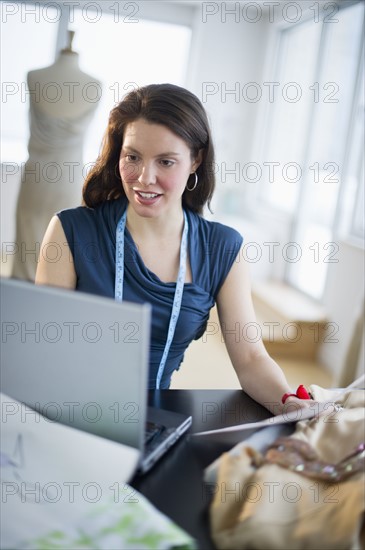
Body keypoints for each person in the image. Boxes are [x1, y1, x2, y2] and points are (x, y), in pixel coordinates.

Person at [35, 83, 310, 414]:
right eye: (132, 157)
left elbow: (251, 358)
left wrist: (286, 401)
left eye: (165, 162)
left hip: (153, 421)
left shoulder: (223, 248)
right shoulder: (71, 231)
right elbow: (44, 353)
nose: (144, 178)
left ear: (196, 160)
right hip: (71, 411)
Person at [12, 31, 101, 281]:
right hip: (66, 177)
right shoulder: (36, 76)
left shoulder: (38, 77)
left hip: (37, 175)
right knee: (47, 243)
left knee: (52, 244)